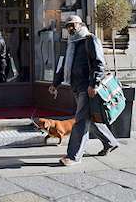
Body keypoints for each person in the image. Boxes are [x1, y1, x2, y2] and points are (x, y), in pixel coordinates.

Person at [49, 15, 119, 166]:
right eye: (68, 26)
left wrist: (93, 84)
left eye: (73, 25)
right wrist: (55, 84)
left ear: (80, 24)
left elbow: (99, 64)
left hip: (87, 88)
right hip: (75, 87)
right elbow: (64, 67)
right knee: (90, 119)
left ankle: (74, 156)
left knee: (80, 120)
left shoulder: (90, 40)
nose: (70, 28)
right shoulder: (70, 43)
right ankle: (110, 142)